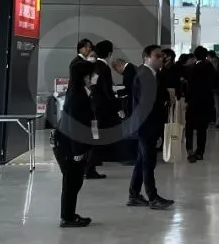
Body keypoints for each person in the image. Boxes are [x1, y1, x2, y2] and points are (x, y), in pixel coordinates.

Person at [127, 45, 174, 210]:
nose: (161, 59)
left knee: (142, 160)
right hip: (146, 125)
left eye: (162, 56)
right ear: (146, 57)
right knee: (148, 162)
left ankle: (134, 195)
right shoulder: (144, 75)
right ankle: (153, 197)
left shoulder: (154, 74)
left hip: (150, 124)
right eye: (157, 56)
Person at [53, 55, 96, 227]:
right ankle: (67, 218)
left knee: (75, 181)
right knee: (72, 182)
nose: (95, 77)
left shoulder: (80, 93)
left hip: (71, 144)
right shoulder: (77, 97)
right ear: (85, 77)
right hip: (69, 146)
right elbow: (74, 126)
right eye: (92, 75)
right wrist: (78, 150)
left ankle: (69, 214)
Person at [85, 40, 120, 179]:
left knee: (94, 135)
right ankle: (89, 168)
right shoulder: (104, 68)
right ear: (110, 53)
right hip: (101, 108)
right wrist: (118, 107)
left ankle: (89, 165)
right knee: (97, 137)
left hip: (92, 106)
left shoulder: (94, 66)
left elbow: (92, 85)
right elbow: (107, 90)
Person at [185, 46, 216, 162]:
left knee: (189, 128)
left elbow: (190, 87)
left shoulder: (192, 68)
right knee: (202, 128)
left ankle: (189, 150)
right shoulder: (210, 67)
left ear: (195, 56)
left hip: (193, 102)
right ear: (205, 56)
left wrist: (187, 100)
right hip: (206, 101)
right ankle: (200, 152)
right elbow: (216, 82)